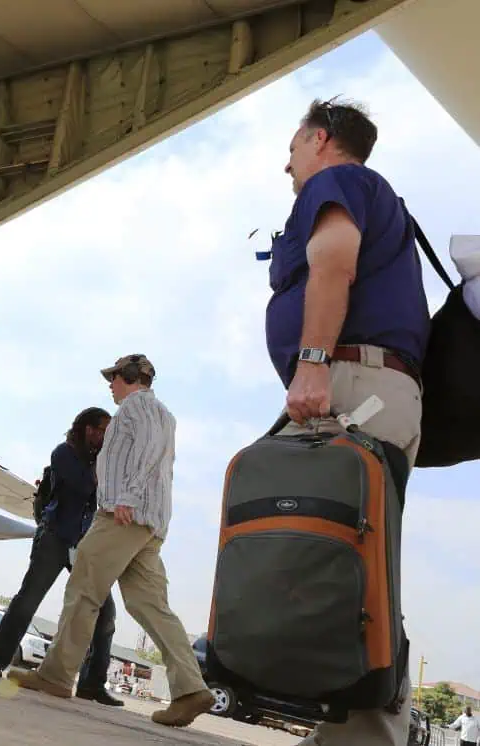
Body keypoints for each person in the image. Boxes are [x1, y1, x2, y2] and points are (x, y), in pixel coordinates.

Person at [267, 99, 430, 746]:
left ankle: (370, 733)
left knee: (315, 547)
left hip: (347, 384)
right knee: (350, 557)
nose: (287, 164)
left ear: (320, 138)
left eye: (293, 147)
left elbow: (334, 259)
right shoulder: (373, 193)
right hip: (365, 387)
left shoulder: (339, 182)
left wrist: (311, 364)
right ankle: (357, 730)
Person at [14, 355, 214, 728]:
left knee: (84, 590)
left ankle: (55, 676)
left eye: (114, 377)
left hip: (123, 516)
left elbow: (149, 454)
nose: (110, 385)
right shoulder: (165, 414)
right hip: (148, 524)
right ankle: (191, 688)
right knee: (151, 605)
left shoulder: (135, 410)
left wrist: (128, 497)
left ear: (129, 378)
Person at [0, 407, 122, 708]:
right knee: (29, 598)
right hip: (55, 537)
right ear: (83, 428)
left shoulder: (103, 461)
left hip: (83, 543)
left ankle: (92, 684)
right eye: (96, 429)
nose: (101, 436)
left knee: (105, 612)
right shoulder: (63, 454)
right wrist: (105, 460)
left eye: (106, 432)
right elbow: (86, 485)